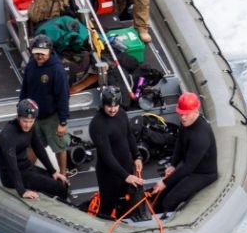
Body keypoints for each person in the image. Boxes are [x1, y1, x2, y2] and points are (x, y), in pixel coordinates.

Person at [151, 92, 217, 213]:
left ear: (196, 111)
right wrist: (173, 164)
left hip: (202, 174)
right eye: (180, 114)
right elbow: (180, 143)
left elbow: (187, 168)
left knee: (169, 201)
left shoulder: (200, 136)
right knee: (160, 195)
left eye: (186, 114)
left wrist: (164, 182)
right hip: (189, 167)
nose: (183, 118)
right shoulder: (185, 123)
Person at [89, 85, 144, 218]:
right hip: (109, 174)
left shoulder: (122, 114)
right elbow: (106, 156)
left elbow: (129, 135)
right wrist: (126, 176)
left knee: (126, 203)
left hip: (126, 167)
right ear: (103, 104)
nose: (113, 109)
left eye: (115, 106)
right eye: (109, 106)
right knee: (107, 208)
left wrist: (137, 156)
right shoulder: (97, 124)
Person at [0, 98, 70, 200]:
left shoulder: (31, 127)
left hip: (26, 168)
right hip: (10, 176)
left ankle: (63, 203)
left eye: (31, 121)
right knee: (59, 188)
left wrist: (53, 172)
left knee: (62, 182)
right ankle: (64, 210)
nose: (27, 125)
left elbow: (38, 148)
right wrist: (22, 191)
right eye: (25, 121)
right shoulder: (8, 135)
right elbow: (12, 167)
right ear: (18, 117)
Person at [19, 34, 71, 175]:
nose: (39, 56)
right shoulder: (31, 64)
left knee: (59, 148)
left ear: (49, 52)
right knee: (32, 145)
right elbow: (25, 88)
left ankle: (64, 176)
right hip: (34, 117)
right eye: (36, 53)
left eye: (43, 53)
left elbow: (63, 97)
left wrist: (63, 121)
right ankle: (28, 173)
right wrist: (20, 109)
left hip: (51, 117)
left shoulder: (57, 70)